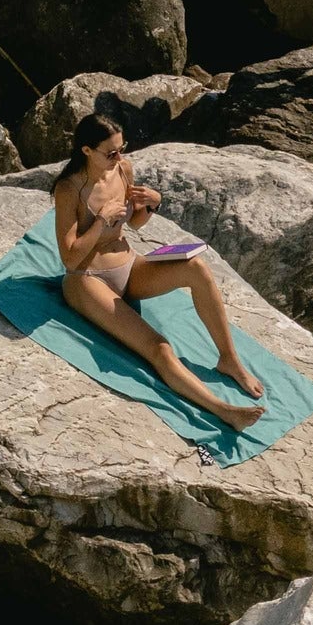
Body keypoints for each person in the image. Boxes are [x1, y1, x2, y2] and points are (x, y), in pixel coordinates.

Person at [51, 115, 262, 429]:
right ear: (86, 150)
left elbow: (133, 224)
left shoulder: (123, 170)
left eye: (122, 149)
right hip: (87, 280)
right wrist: (99, 222)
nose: (120, 157)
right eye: (110, 153)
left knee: (197, 269)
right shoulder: (69, 190)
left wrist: (151, 205)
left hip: (128, 265)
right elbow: (69, 258)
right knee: (159, 346)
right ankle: (223, 410)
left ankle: (228, 358)